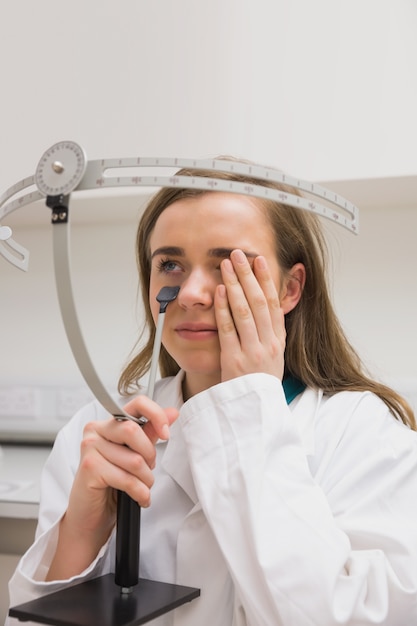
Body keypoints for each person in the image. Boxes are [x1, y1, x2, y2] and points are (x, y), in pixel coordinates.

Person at [7, 162, 417, 626]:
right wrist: (81, 532)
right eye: (170, 265)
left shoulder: (365, 436)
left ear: (290, 289)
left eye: (227, 265)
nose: (192, 294)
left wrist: (248, 414)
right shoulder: (100, 435)